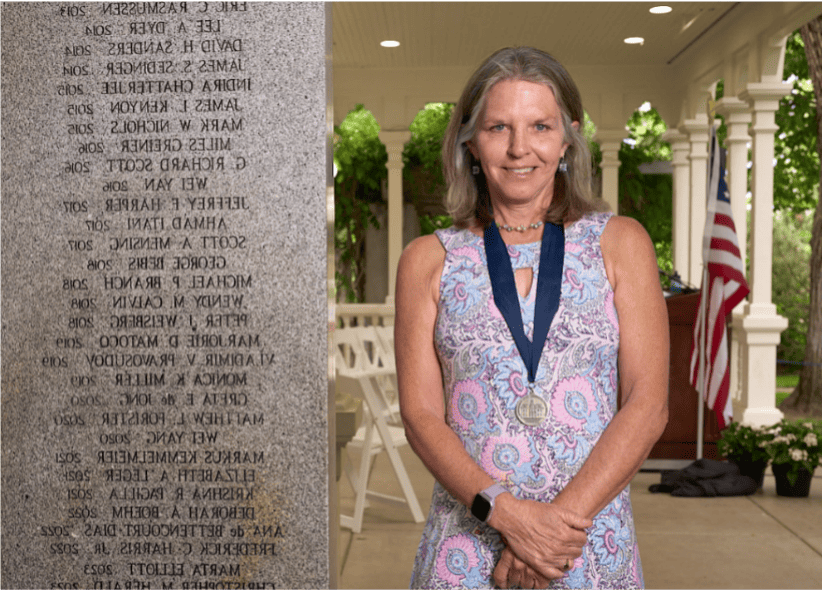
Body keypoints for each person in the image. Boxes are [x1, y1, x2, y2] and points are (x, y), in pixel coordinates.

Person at [395, 47, 669, 590]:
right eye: (499, 127)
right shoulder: (427, 259)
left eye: (539, 126)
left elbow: (648, 404)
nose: (520, 148)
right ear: (471, 142)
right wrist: (510, 517)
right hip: (468, 546)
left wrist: (547, 536)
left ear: (568, 137)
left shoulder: (620, 244)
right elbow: (422, 418)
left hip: (586, 543)